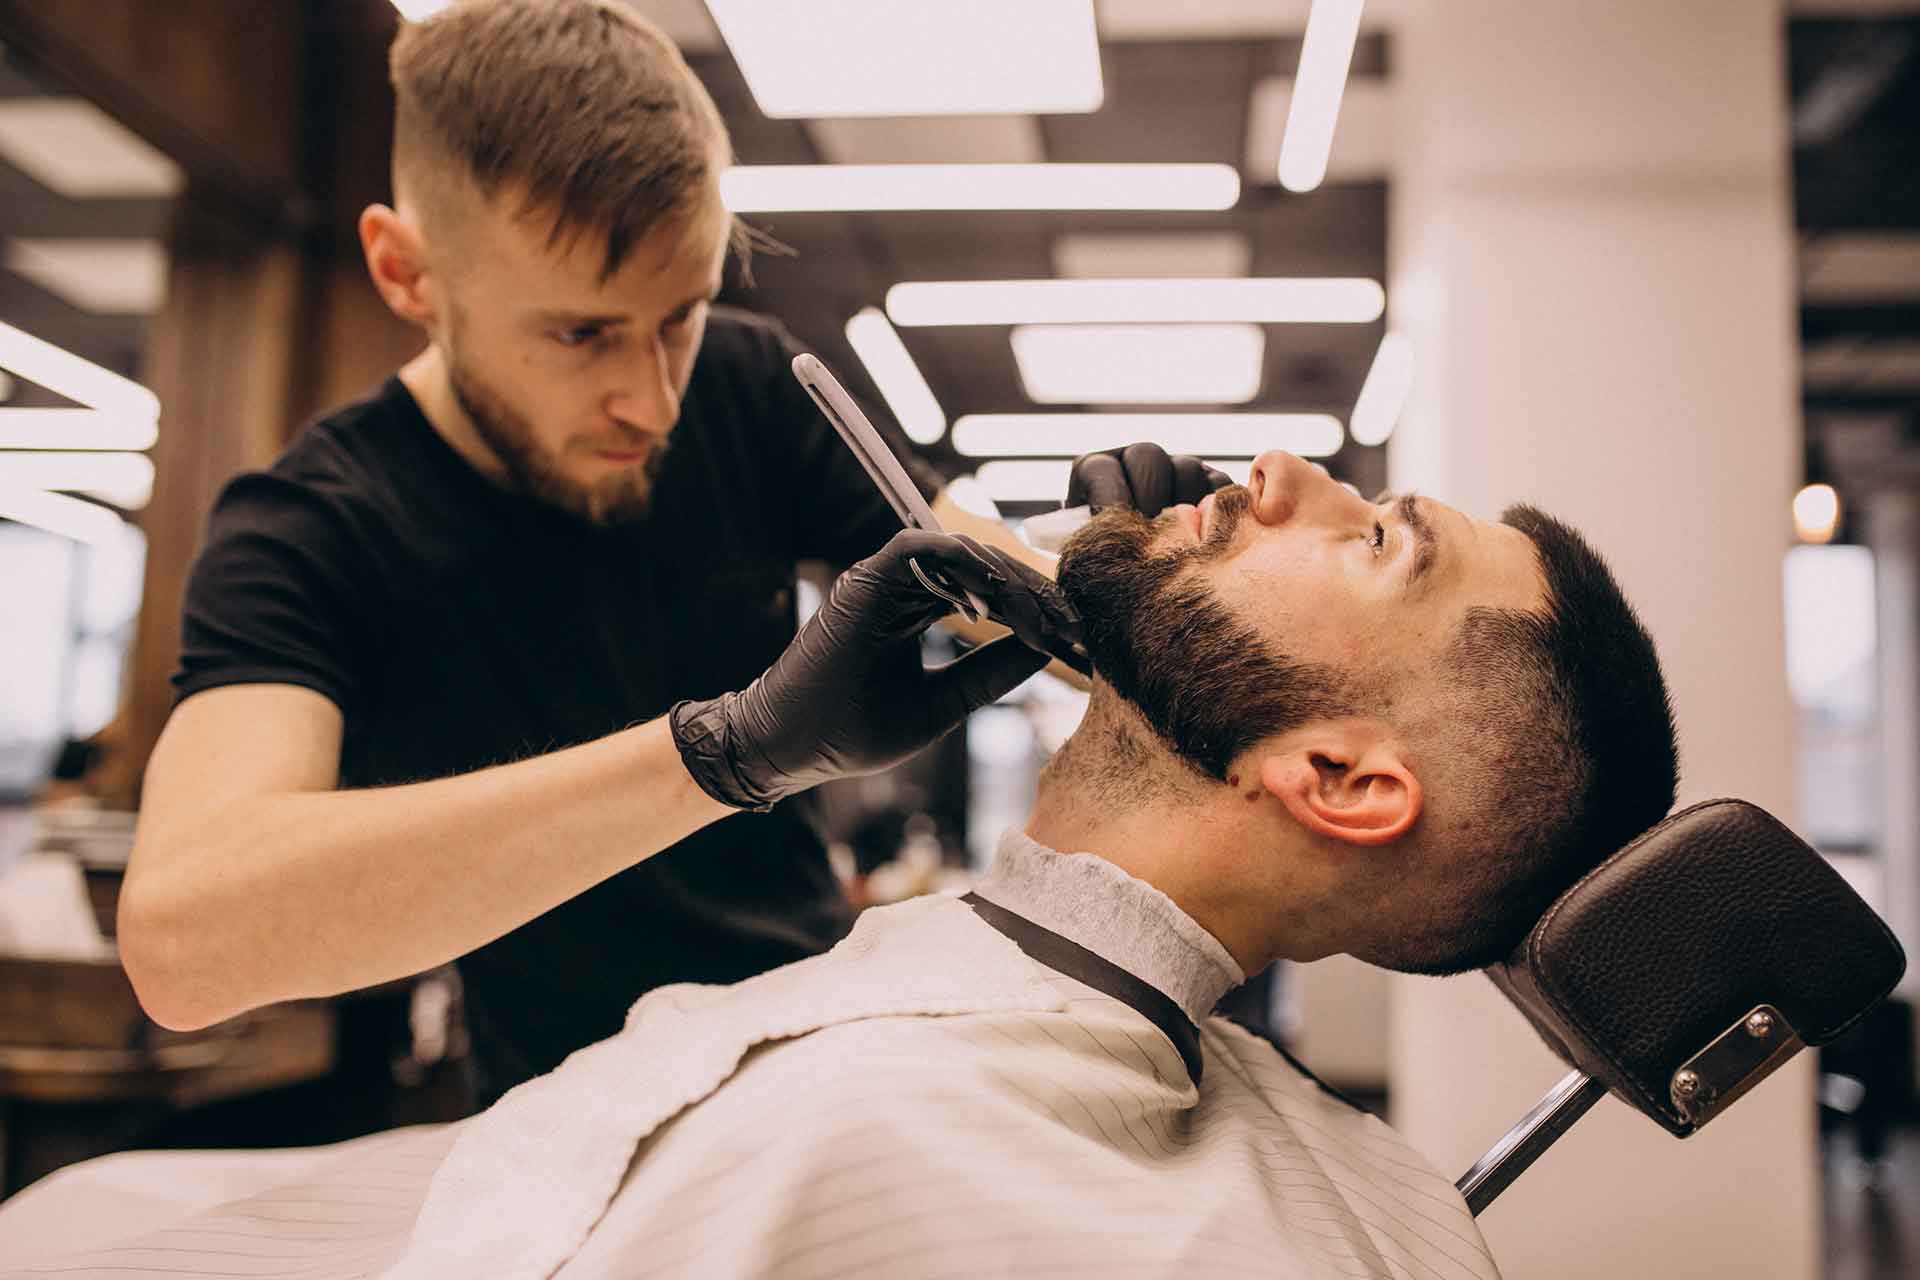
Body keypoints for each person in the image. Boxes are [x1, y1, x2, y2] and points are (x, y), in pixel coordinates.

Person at [6, 450, 1678, 1279]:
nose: (1290, 473)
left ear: (1335, 776)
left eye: (1372, 538)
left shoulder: (935, 1146)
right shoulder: (1049, 1059)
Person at [114, 0, 1206, 1107]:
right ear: (407, 275)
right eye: (580, 332)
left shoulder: (744, 386)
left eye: (679, 314)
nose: (652, 397)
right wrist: (721, 755)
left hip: (813, 1043)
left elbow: (973, 569)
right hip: (557, 1107)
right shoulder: (311, 526)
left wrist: (1147, 584)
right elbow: (183, 940)